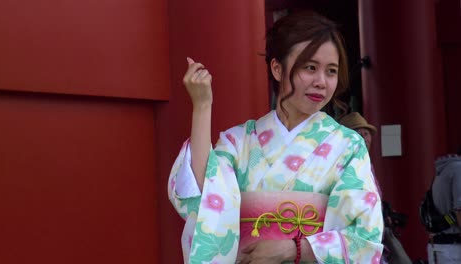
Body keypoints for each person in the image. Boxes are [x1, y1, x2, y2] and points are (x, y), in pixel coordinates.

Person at [168, 11, 383, 264]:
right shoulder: (240, 142)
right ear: (277, 68)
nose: (321, 82)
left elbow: (364, 236)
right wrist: (203, 105)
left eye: (331, 71)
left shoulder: (348, 146)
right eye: (310, 68)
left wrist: (294, 249)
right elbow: (205, 196)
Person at [340, 112, 412, 264]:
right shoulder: (339, 166)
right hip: (351, 240)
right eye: (358, 133)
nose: (364, 138)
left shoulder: (367, 165)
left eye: (366, 134)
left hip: (373, 239)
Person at [427, 146, 461, 264]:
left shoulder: (444, 169)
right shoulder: (459, 170)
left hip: (439, 247)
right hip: (453, 250)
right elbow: (459, 210)